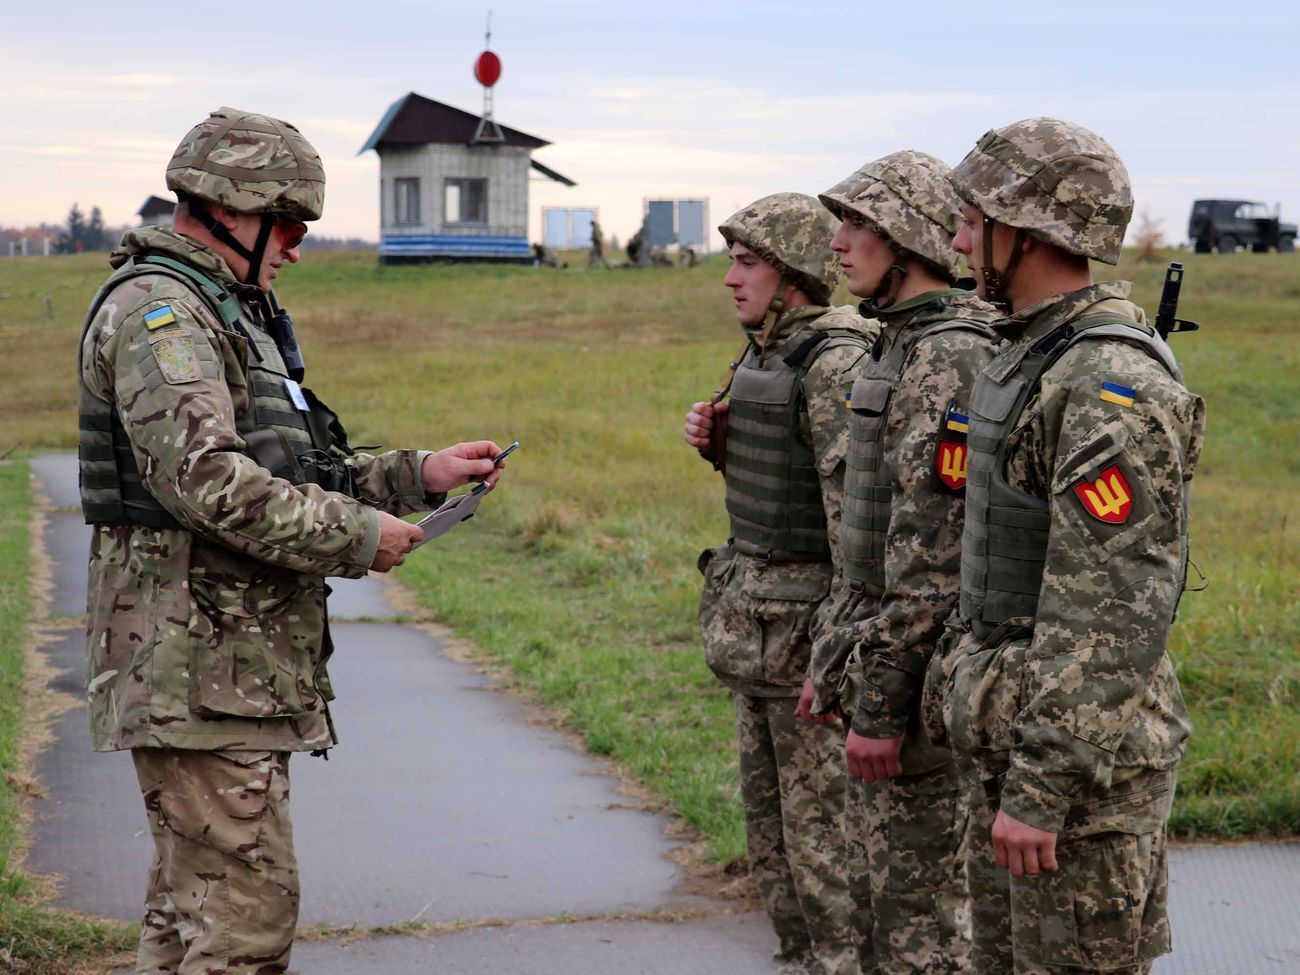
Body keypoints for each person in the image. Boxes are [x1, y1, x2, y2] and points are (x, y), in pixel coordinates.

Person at [78, 106, 506, 975]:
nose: (297, 249)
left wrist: (416, 474)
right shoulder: (164, 316)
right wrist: (359, 536)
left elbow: (291, 464)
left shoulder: (225, 310)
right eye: (289, 226)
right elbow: (209, 482)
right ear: (229, 209)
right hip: (195, 671)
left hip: (223, 670)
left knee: (189, 922)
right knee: (242, 933)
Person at [932, 117, 1205, 974]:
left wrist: (1043, 786)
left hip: (1077, 789)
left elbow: (1111, 611)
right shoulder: (1035, 356)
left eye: (971, 222)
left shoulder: (1104, 382)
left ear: (1027, 231)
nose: (958, 242)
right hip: (1018, 752)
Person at [802, 151, 1001, 974]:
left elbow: (933, 559)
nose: (837, 243)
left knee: (922, 927)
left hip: (919, 689)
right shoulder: (897, 343)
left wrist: (882, 705)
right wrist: (831, 660)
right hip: (883, 663)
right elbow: (867, 540)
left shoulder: (946, 354)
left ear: (907, 238)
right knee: (881, 911)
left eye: (858, 225)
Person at [685, 193, 874, 975]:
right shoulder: (765, 353)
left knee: (827, 853)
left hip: (806, 653)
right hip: (759, 640)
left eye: (747, 263)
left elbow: (854, 530)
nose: (730, 279)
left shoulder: (833, 364)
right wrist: (720, 446)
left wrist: (834, 657)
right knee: (776, 850)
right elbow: (783, 488)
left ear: (792, 274)